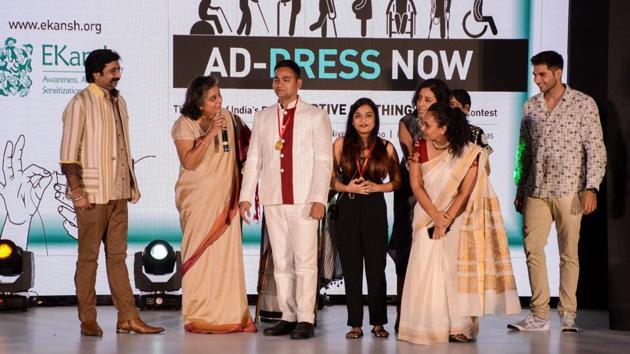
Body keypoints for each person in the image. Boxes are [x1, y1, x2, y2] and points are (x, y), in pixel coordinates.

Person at [59, 49, 164, 336]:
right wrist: (77, 192)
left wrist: (131, 183)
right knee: (88, 257)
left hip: (119, 192)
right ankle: (88, 318)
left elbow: (122, 148)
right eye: (113, 70)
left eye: (119, 70)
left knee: (118, 257)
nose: (118, 75)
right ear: (96, 73)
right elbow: (68, 155)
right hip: (92, 194)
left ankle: (128, 317)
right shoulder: (80, 102)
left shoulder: (120, 101)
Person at [398, 103, 520, 345]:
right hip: (426, 218)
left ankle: (459, 327)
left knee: (455, 272)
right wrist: (436, 216)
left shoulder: (470, 153)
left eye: (427, 125)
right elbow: (416, 185)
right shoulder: (419, 147)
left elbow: (465, 192)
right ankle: (428, 327)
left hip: (458, 219)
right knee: (425, 269)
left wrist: (447, 220)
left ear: (444, 128)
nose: (421, 128)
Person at [509, 50, 606, 333]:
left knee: (568, 253)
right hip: (536, 189)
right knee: (532, 249)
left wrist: (591, 187)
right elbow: (524, 151)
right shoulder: (531, 107)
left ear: (558, 73)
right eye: (535, 74)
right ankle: (539, 314)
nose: (537, 80)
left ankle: (568, 314)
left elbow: (596, 149)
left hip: (570, 188)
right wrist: (519, 185)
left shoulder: (583, 104)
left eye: (542, 74)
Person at [238, 59, 333, 339]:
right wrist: (246, 196)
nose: (280, 84)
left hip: (304, 199)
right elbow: (253, 160)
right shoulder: (263, 116)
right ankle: (288, 315)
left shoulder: (315, 116)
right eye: (276, 79)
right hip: (273, 198)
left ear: (299, 83)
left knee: (305, 262)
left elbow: (324, 160)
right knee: (281, 263)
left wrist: (319, 198)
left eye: (286, 79)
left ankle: (306, 317)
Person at [171, 75, 256, 333]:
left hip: (225, 198)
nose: (220, 101)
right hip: (198, 200)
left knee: (226, 258)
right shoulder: (184, 124)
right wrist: (210, 134)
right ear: (198, 103)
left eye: (219, 96)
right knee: (200, 255)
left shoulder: (230, 118)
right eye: (213, 98)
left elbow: (248, 149)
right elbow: (190, 162)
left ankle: (230, 314)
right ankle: (199, 314)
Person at [332, 97, 401, 339]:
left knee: (376, 268)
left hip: (375, 208)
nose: (363, 120)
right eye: (358, 116)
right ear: (351, 120)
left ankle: (378, 322)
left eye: (368, 115)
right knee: (352, 269)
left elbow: (398, 181)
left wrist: (376, 187)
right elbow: (330, 180)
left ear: (376, 119)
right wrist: (348, 188)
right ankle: (354, 324)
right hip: (348, 208)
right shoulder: (340, 144)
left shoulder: (386, 146)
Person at [388, 78, 450, 332]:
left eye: (428, 99)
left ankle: (440, 316)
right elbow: (412, 153)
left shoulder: (452, 124)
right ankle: (405, 315)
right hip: (411, 193)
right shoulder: (408, 122)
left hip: (443, 193)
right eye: (419, 98)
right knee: (407, 253)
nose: (421, 104)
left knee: (440, 255)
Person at [450, 88, 493, 154]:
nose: (450, 109)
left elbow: (485, 155)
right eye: (449, 105)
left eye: (453, 105)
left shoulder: (477, 132)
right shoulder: (442, 131)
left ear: (466, 108)